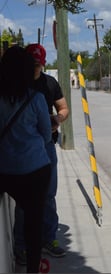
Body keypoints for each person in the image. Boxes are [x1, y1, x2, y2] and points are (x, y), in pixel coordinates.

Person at [14, 43, 69, 264]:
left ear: (43, 63)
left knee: (48, 195)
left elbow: (63, 108)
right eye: (31, 63)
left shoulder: (49, 83)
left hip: (46, 146)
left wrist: (57, 119)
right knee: (23, 199)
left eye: (38, 64)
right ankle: (22, 245)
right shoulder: (14, 84)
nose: (34, 68)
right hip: (21, 147)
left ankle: (48, 239)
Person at [0, 45, 51, 273]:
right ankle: (33, 268)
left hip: (5, 171)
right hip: (34, 171)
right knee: (34, 224)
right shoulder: (37, 99)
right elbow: (47, 135)